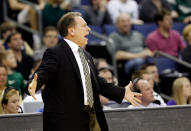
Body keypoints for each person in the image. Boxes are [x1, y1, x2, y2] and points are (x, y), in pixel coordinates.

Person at [27, 12, 142, 131]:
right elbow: (43, 72)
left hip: (89, 118)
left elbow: (98, 83)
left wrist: (122, 92)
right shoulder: (56, 53)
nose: (89, 29)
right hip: (65, 122)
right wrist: (33, 84)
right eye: (84, 26)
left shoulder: (86, 55)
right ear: (71, 31)